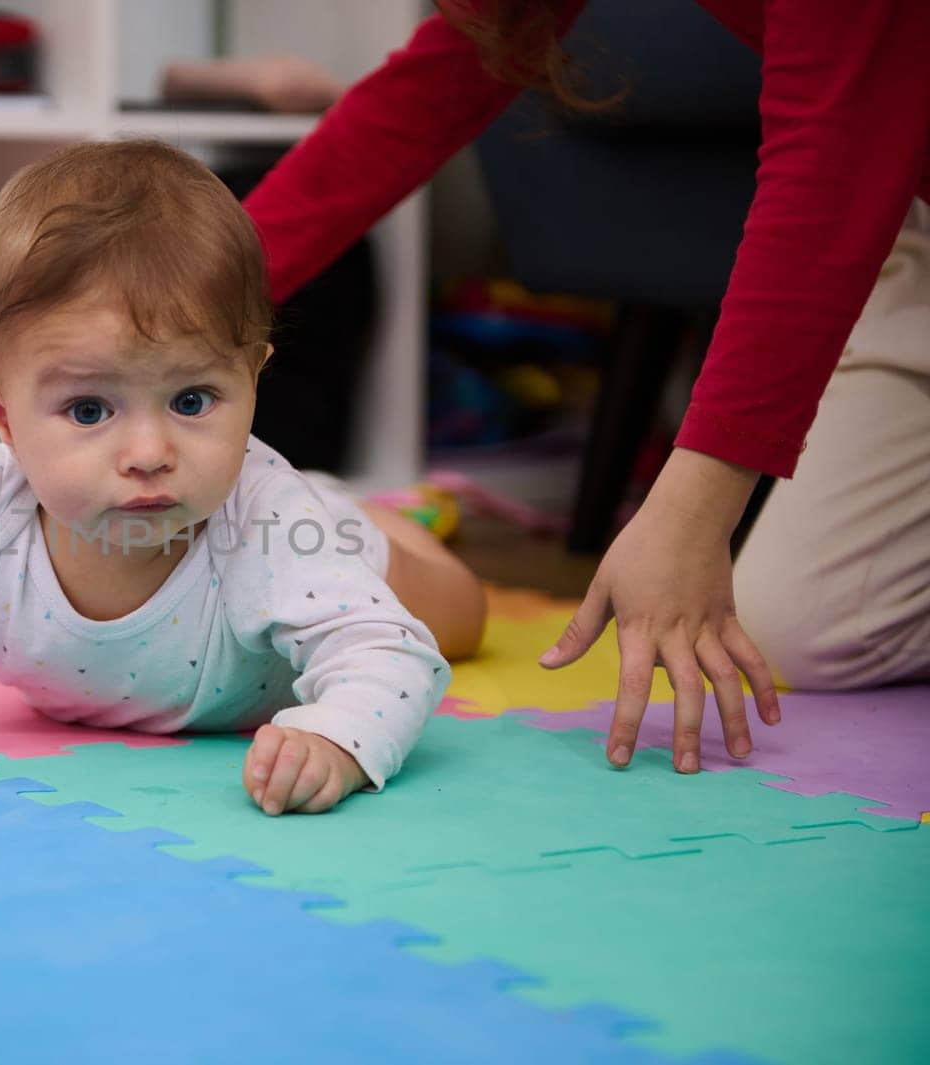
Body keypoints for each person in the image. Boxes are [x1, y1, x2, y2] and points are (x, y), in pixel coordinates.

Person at [239, 1, 930, 774]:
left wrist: (692, 507)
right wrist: (179, 299)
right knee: (806, 627)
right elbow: (434, 84)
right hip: (913, 232)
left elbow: (833, 150)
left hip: (868, 172)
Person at [0, 140, 487, 816]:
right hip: (290, 513)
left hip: (318, 537)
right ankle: (351, 501)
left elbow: (391, 655)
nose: (149, 450)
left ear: (253, 380)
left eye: (192, 400)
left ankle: (376, 521)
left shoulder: (265, 518)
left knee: (462, 615)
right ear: (2, 412)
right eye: (90, 409)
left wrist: (338, 737)